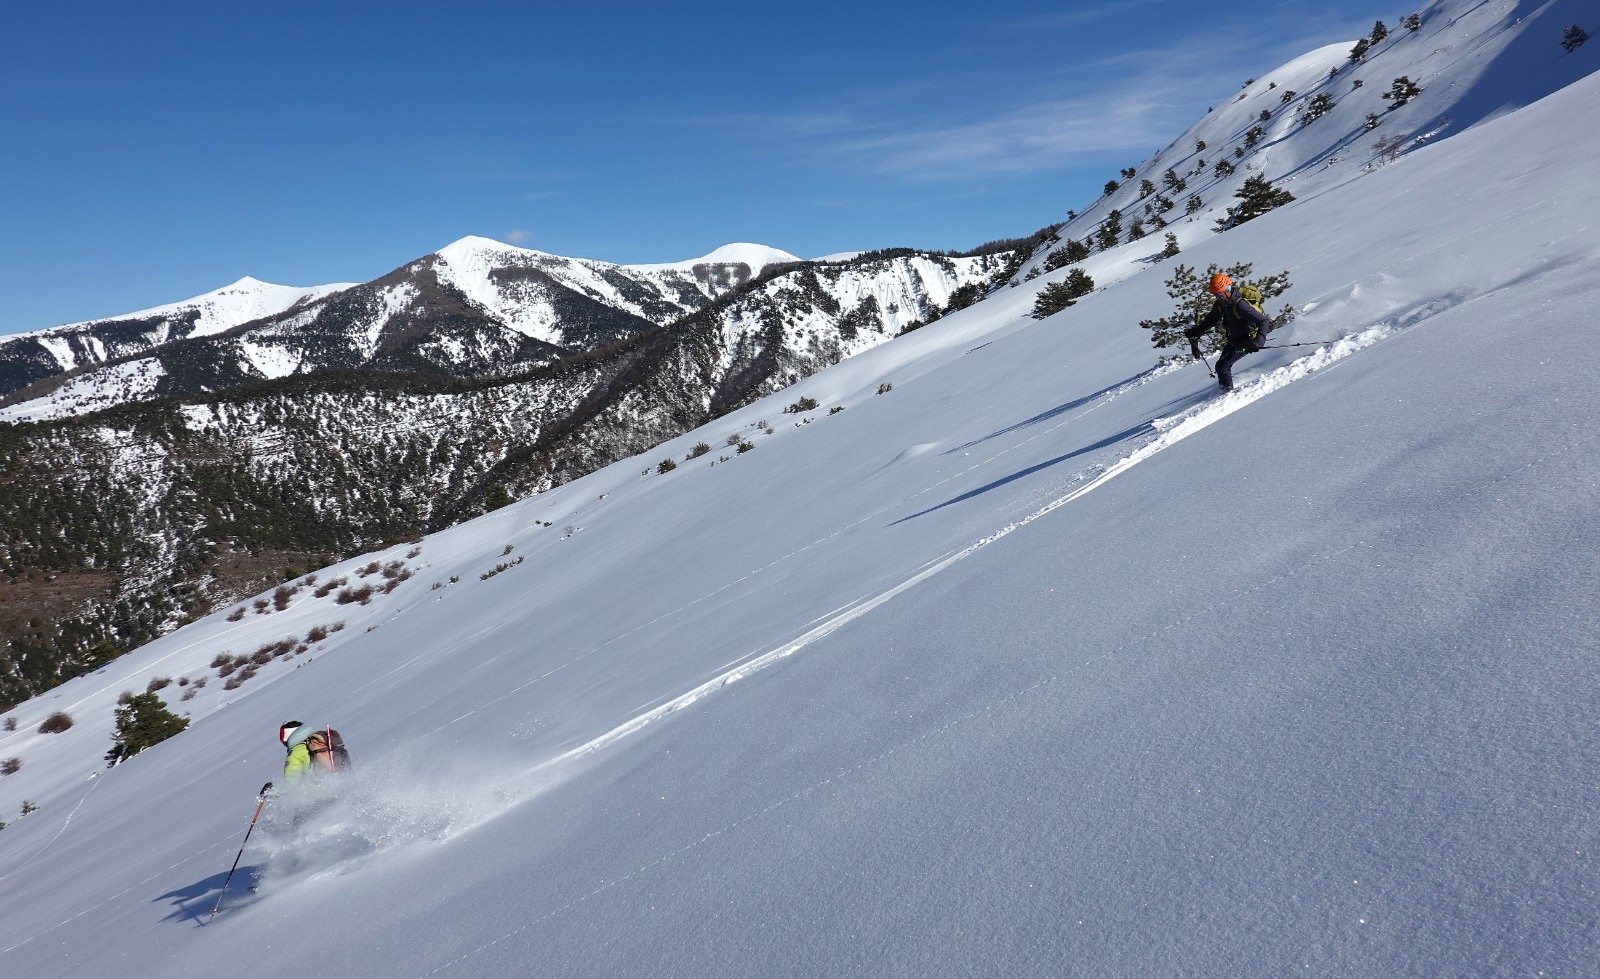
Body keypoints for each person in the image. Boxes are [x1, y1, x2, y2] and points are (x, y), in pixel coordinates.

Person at [1185, 273, 1272, 392]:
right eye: (1215, 294)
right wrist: (1195, 332)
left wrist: (1258, 342)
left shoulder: (1240, 305)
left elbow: (1263, 321)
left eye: (1219, 294)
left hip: (1246, 342)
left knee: (1222, 367)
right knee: (1221, 366)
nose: (1217, 297)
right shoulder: (1222, 303)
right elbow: (1211, 319)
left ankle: (1227, 395)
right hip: (1233, 340)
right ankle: (1226, 390)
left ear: (1227, 289)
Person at [277, 720, 351, 788]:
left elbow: (291, 782)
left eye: (284, 742)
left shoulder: (296, 752)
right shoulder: (319, 743)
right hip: (341, 787)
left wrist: (272, 791)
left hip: (318, 794)